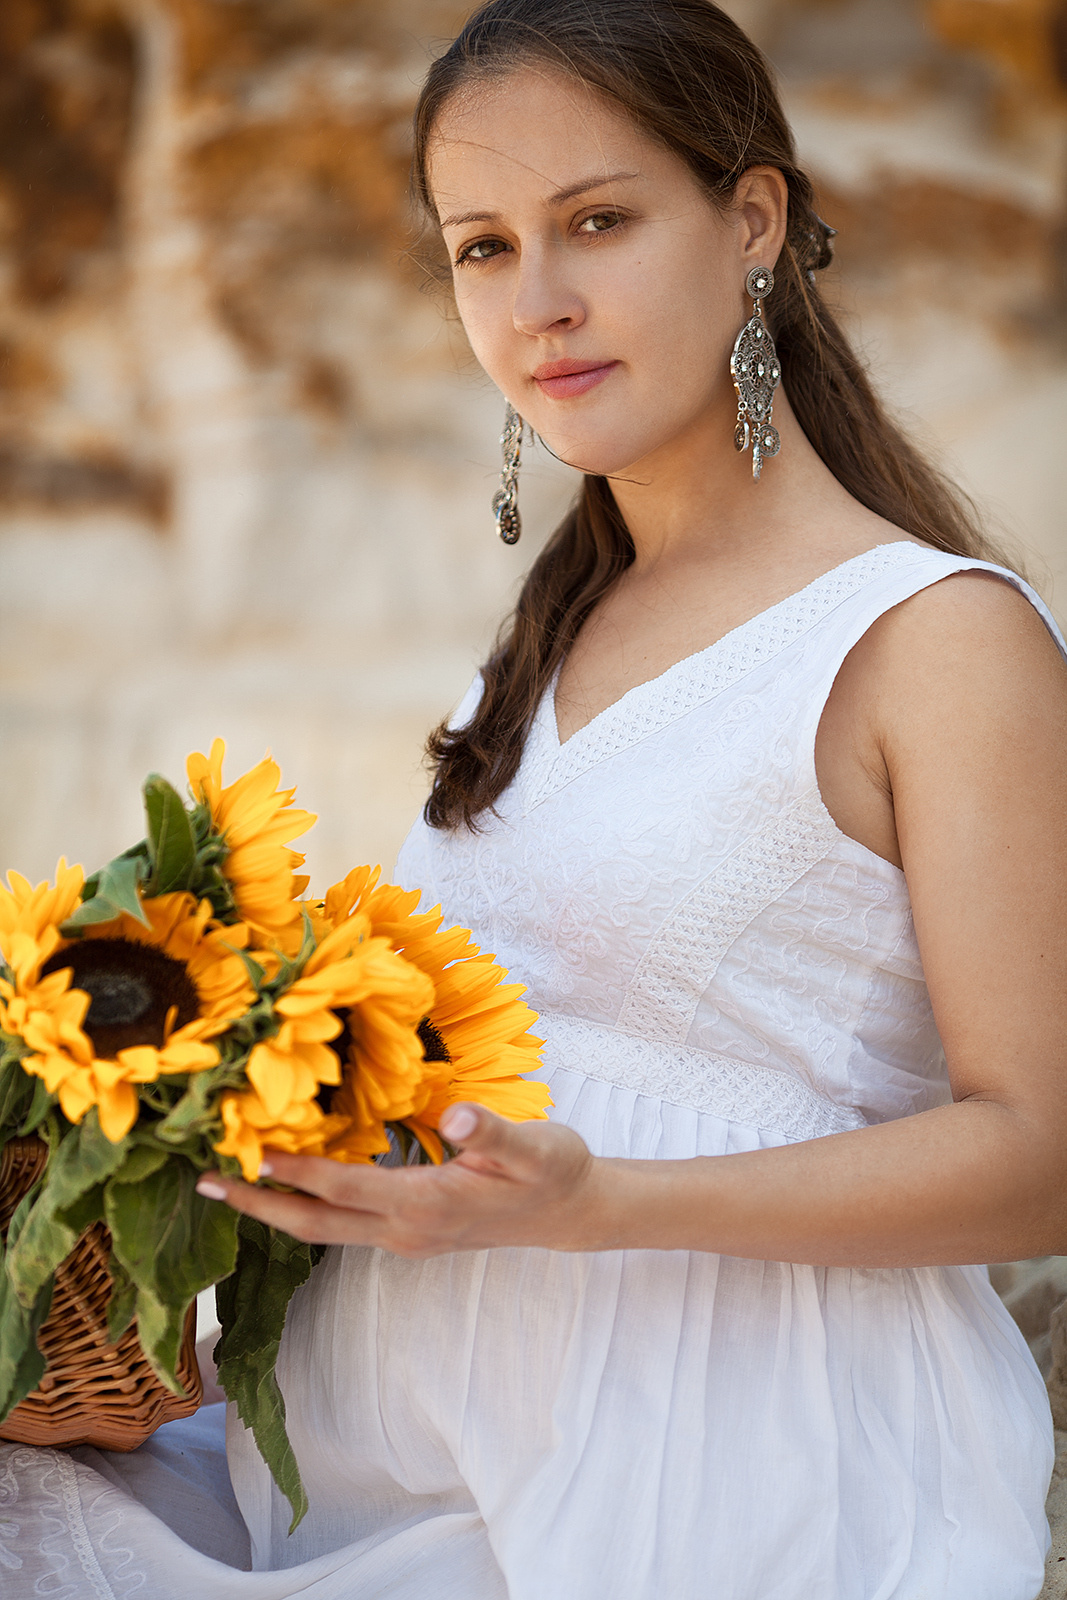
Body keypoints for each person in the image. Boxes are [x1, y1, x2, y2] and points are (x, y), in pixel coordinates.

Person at [3, 1, 1065, 1595]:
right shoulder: (537, 650)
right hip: (385, 1476)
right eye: (480, 248)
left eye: (598, 222)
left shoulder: (935, 640)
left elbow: (1041, 1151)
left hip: (720, 1475)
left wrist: (599, 1202)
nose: (540, 303)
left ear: (753, 220)